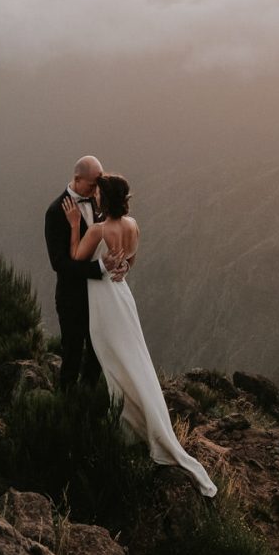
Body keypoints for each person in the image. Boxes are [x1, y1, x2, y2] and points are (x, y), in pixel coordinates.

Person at [62, 173, 217, 497]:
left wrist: (74, 223)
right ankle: (140, 417)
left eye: (99, 194)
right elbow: (131, 259)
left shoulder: (98, 230)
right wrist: (124, 267)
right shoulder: (132, 226)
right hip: (123, 296)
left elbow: (76, 259)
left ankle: (126, 422)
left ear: (105, 198)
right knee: (132, 357)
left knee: (111, 359)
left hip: (103, 299)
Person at [44, 156, 129, 391]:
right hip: (72, 297)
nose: (95, 192)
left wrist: (123, 265)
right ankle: (67, 406)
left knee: (97, 353)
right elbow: (58, 263)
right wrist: (100, 268)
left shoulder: (98, 202)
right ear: (77, 179)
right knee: (71, 353)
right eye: (92, 185)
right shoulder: (55, 211)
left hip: (100, 297)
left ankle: (88, 399)